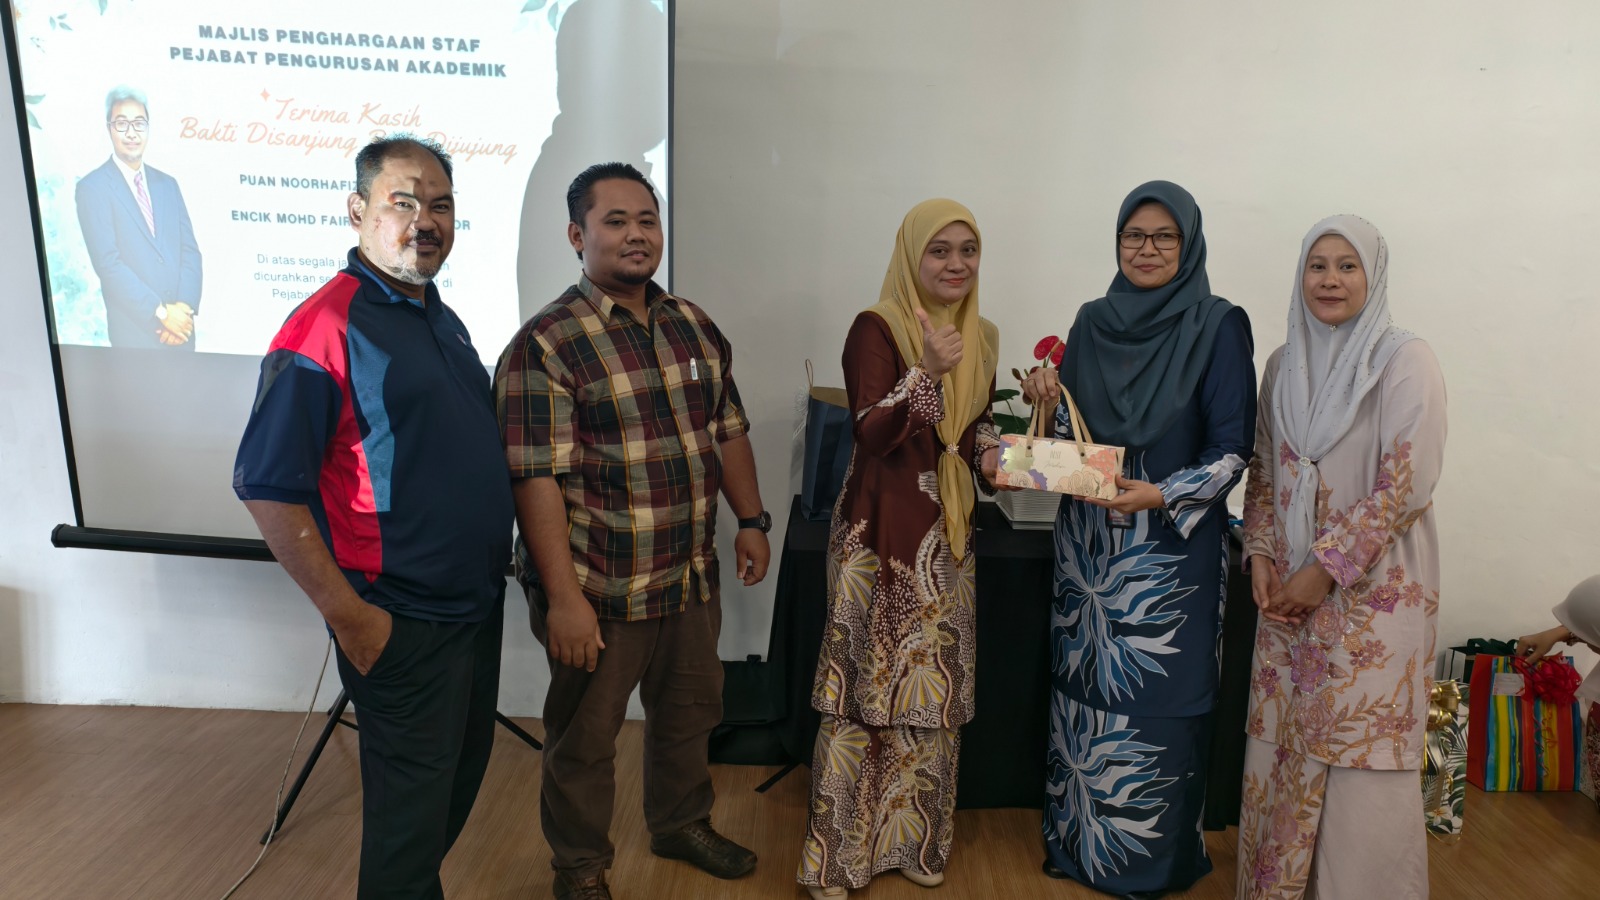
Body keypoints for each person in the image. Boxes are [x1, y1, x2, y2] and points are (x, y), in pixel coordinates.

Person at [234, 136, 513, 900]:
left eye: (441, 205)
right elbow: (266, 485)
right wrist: (351, 619)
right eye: (404, 201)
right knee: (406, 829)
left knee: (449, 794)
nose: (426, 220)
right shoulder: (325, 324)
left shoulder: (440, 318)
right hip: (399, 619)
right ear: (358, 210)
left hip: (471, 610)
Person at [497, 161, 770, 900]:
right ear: (576, 235)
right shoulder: (546, 343)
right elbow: (534, 480)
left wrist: (751, 520)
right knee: (585, 741)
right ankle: (580, 869)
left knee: (689, 715)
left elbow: (728, 430)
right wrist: (564, 601)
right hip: (599, 588)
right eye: (614, 221)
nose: (636, 234)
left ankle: (679, 824)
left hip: (688, 577)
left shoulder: (691, 324)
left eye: (646, 220)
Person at [1022, 181, 1256, 898]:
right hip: (1090, 553)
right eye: (1134, 235)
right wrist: (1047, 403)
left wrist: (1163, 493)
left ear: (1189, 244)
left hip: (1169, 563)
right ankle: (1078, 847)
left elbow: (1232, 449)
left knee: (1159, 701)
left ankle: (1150, 863)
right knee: (1083, 696)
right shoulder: (1092, 321)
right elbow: (1077, 443)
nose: (1146, 249)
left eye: (1164, 237)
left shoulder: (1218, 325)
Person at [796, 199, 1011, 900]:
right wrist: (925, 370)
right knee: (864, 695)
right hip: (878, 533)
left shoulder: (983, 334)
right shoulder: (877, 325)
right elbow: (871, 431)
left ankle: (912, 843)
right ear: (912, 255)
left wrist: (1001, 453)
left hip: (947, 537)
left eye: (968, 250)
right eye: (939, 250)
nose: (956, 264)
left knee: (931, 692)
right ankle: (835, 861)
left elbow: (973, 432)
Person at [1237, 216, 1447, 900]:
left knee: (1359, 761)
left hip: (1370, 597)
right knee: (1284, 745)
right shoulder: (1283, 364)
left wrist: (1323, 569)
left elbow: (1407, 483)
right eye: (1317, 265)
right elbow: (1264, 468)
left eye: (1347, 266)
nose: (1330, 280)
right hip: (1287, 596)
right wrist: (1260, 553)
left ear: (1373, 276)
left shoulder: (1403, 360)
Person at [75, 85, 202, 349]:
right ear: (109, 128)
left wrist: (183, 309)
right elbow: (108, 264)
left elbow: (190, 252)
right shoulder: (93, 188)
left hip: (181, 334)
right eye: (122, 124)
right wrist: (162, 315)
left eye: (139, 123)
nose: (131, 132)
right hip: (136, 336)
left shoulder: (168, 184)